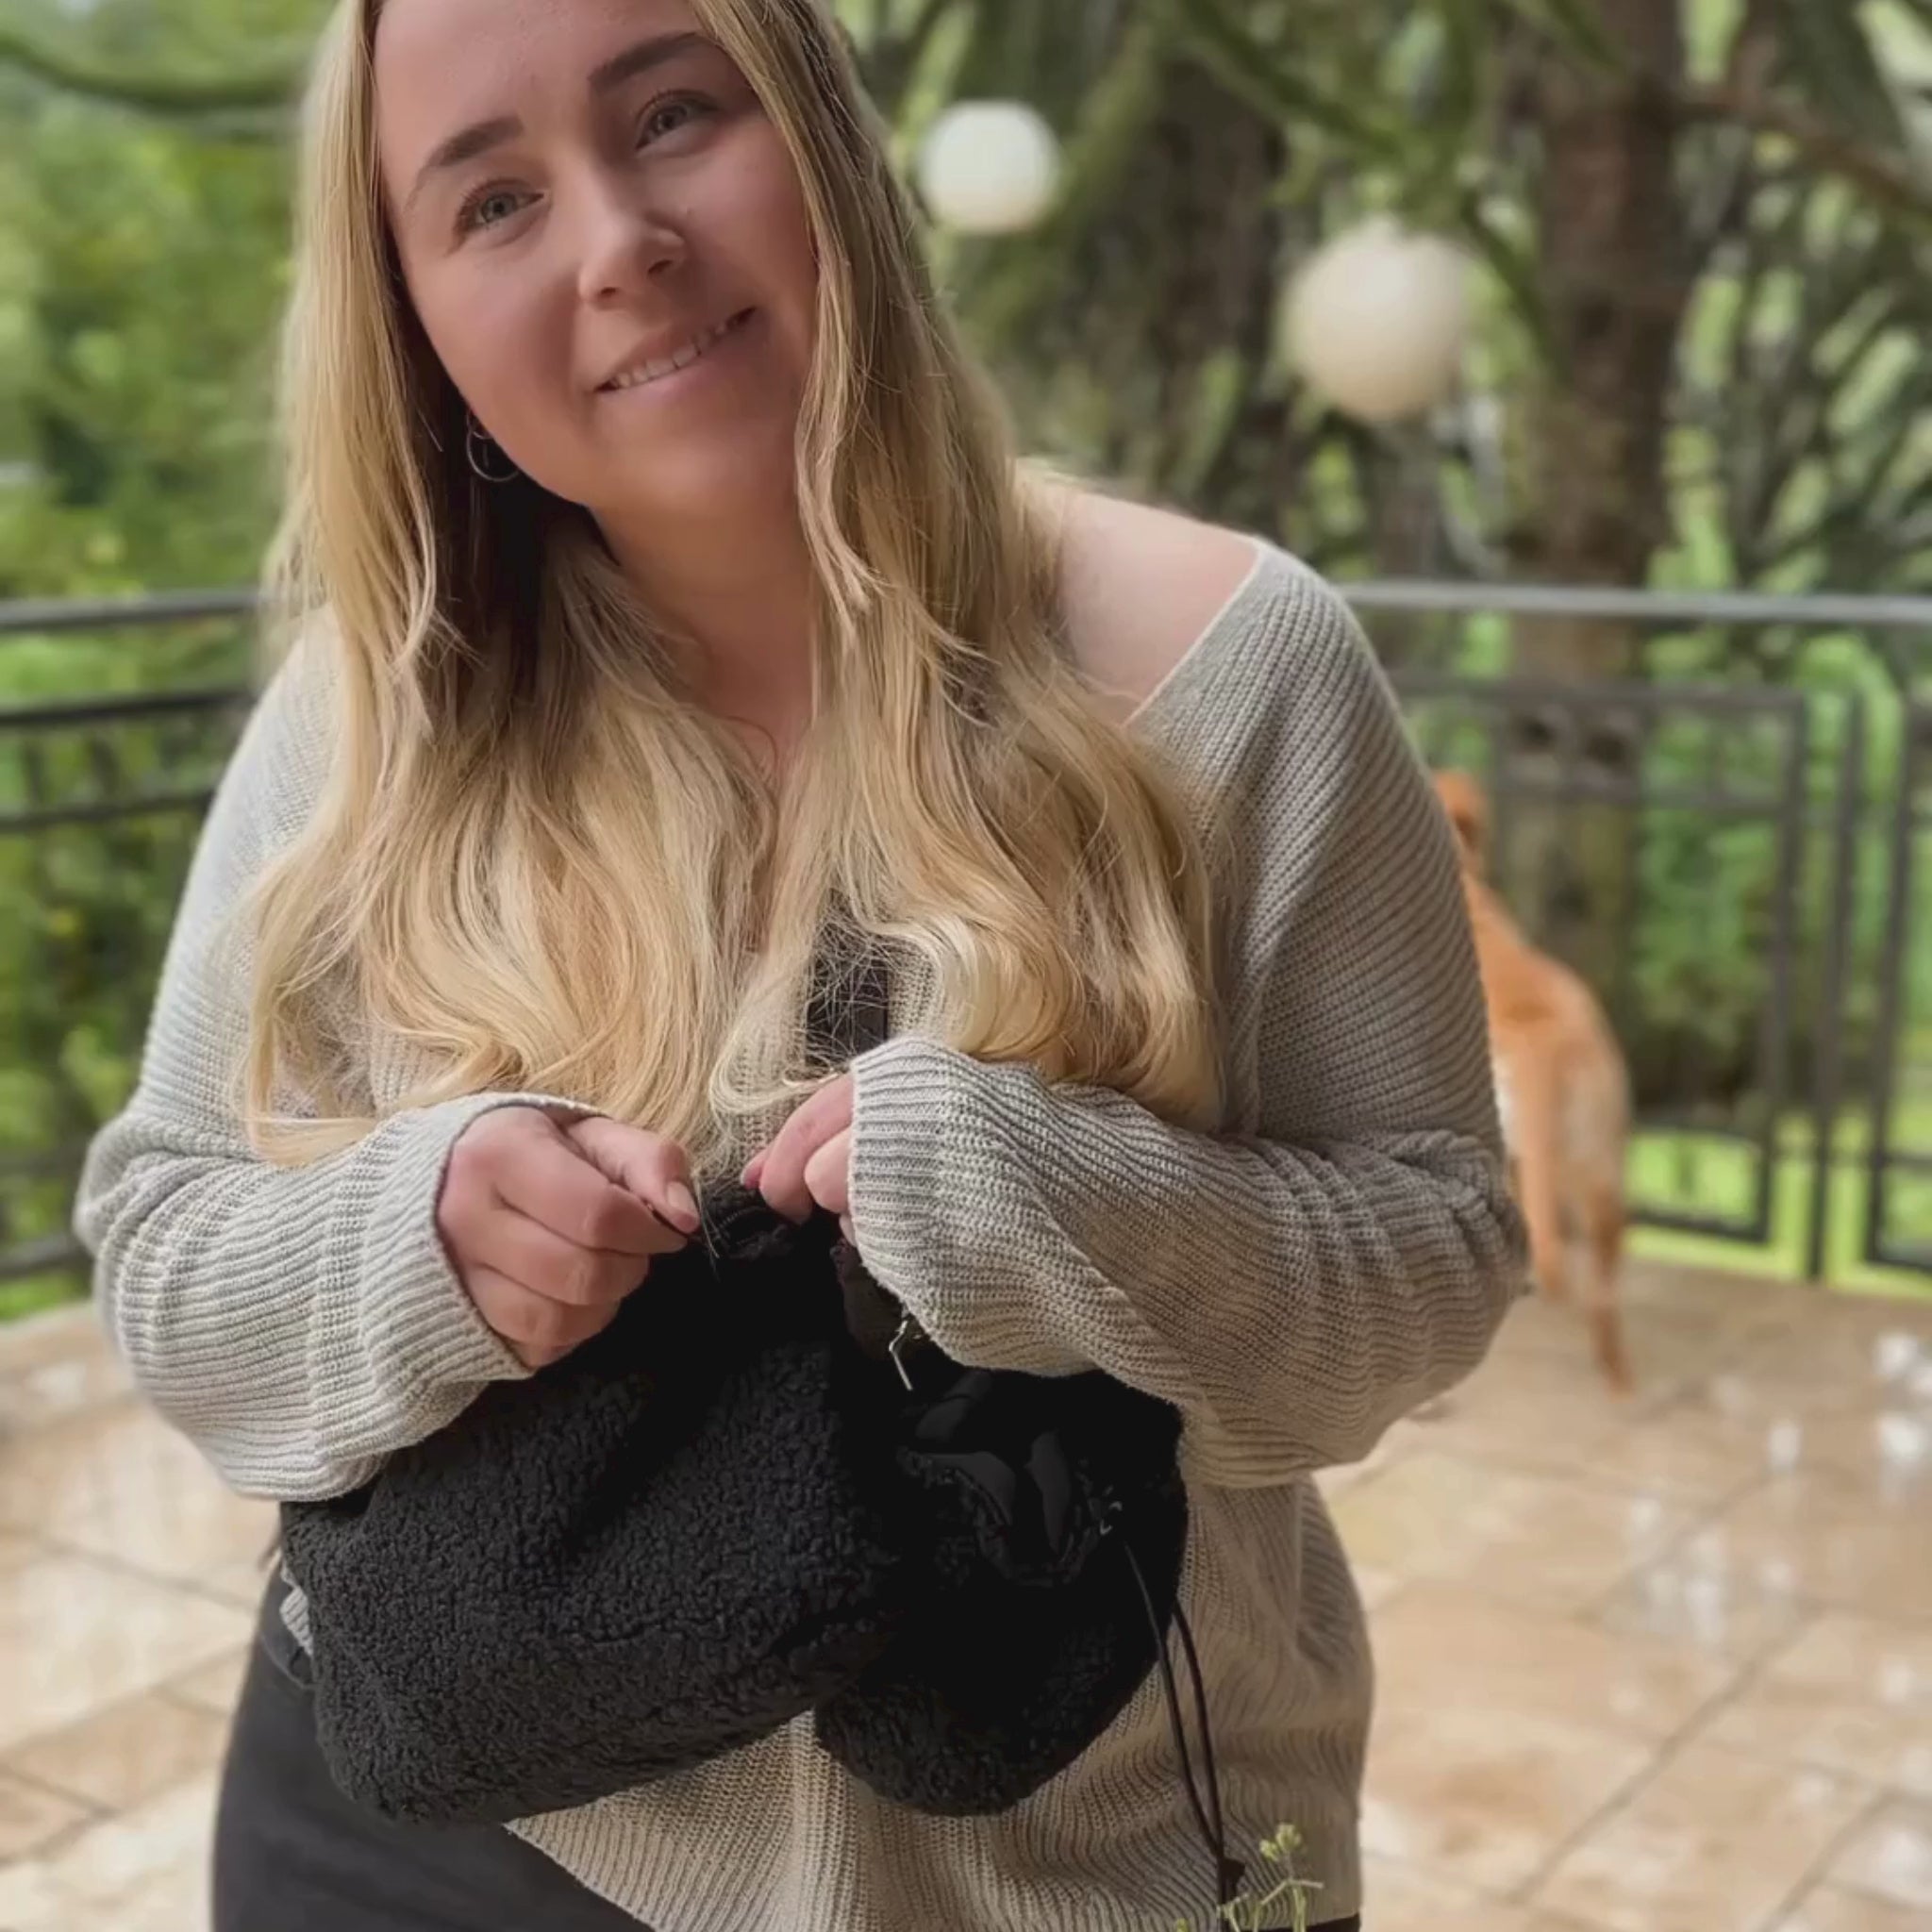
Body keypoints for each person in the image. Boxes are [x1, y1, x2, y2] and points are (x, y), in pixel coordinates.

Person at [70, 0, 1525, 1926]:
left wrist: (1056, 1204)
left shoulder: (1232, 674)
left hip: (1055, 1871)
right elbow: (162, 1244)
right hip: (419, 1830)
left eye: (674, 113)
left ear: (823, 131)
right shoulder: (369, 723)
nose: (618, 243)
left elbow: (1433, 1257)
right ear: (414, 323)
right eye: (492, 201)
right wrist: (410, 1243)